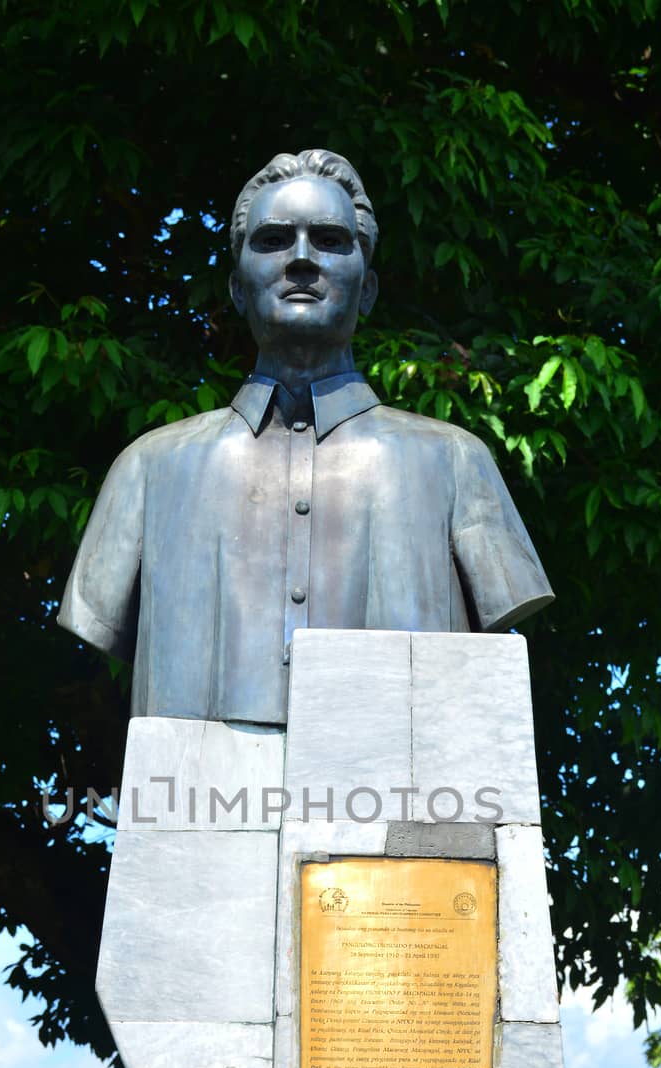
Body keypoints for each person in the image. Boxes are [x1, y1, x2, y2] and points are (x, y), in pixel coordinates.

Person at [59, 148, 554, 727]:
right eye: (272, 240)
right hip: (192, 803)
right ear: (238, 289)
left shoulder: (456, 463)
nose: (300, 260)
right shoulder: (148, 469)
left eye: (328, 239)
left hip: (399, 802)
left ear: (367, 289)